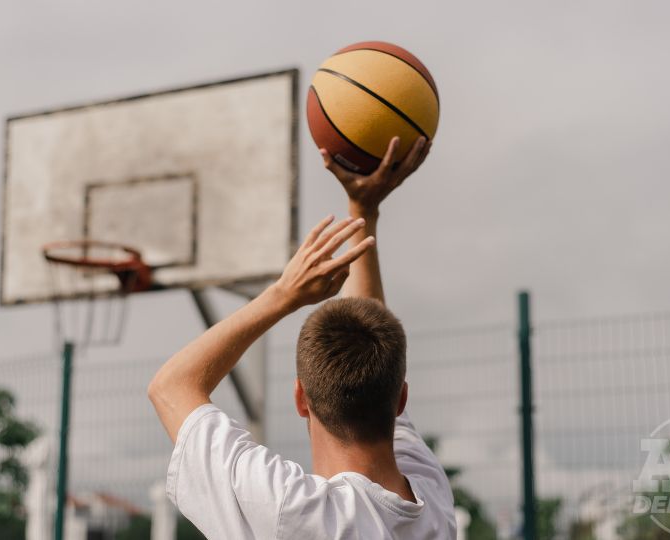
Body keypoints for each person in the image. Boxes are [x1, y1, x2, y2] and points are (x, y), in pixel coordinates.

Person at [148, 136, 456, 539]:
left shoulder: (288, 512)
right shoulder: (431, 499)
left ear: (300, 399)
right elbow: (369, 331)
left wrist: (283, 295)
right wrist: (364, 209)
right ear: (399, 398)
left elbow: (170, 386)